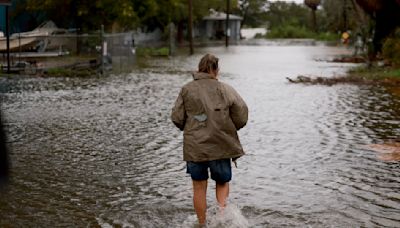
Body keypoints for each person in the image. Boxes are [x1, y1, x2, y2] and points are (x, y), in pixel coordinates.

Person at [171, 54, 248, 226]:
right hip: (221, 145)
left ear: (199, 69)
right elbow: (242, 115)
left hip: (195, 148)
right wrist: (228, 127)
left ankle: (202, 223)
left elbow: (176, 117)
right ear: (216, 70)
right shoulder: (225, 89)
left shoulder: (187, 89)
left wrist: (191, 128)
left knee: (199, 187)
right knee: (221, 182)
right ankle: (222, 220)